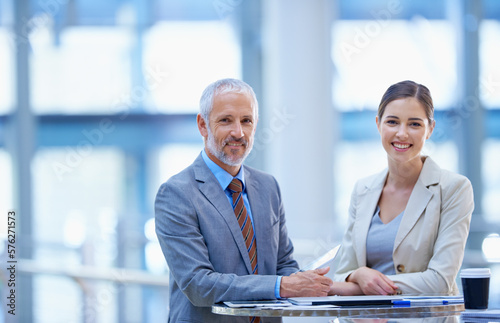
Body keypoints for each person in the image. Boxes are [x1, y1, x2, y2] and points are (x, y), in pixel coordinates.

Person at [155, 78, 337, 323]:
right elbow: (199, 285)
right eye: (226, 120)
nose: (238, 132)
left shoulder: (268, 186)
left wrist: (324, 283)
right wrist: (283, 286)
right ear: (202, 125)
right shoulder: (176, 193)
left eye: (246, 121)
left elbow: (283, 265)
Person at [334, 80, 474, 296]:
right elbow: (343, 272)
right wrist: (359, 275)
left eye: (415, 124)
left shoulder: (454, 189)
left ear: (430, 129)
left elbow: (440, 282)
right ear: (378, 124)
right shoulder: (363, 190)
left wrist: (368, 284)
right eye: (392, 122)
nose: (402, 133)